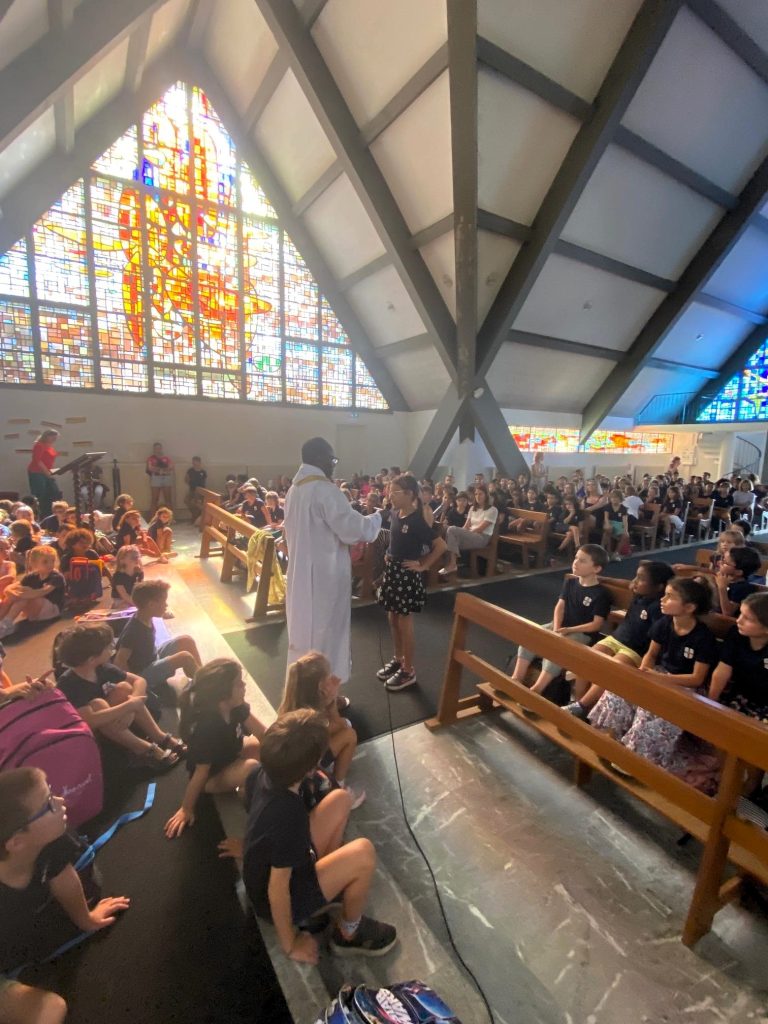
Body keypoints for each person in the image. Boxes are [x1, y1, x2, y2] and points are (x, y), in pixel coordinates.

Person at [237, 710, 397, 961]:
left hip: (283, 871)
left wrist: (251, 849)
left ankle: (327, 888)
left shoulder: (262, 774)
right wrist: (291, 944)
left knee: (340, 799)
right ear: (312, 767)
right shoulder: (287, 815)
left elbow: (251, 809)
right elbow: (277, 890)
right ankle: (348, 933)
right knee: (363, 853)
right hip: (275, 900)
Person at [0, 768, 130, 1024]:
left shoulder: (52, 838)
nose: (60, 801)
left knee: (51, 1011)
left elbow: (61, 875)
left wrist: (87, 920)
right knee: (51, 1010)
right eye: (48, 803)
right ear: (16, 842)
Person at [590, 578, 717, 776]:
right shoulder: (664, 623)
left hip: (685, 686)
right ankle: (612, 736)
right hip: (659, 674)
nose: (662, 600)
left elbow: (697, 678)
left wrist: (660, 679)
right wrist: (643, 671)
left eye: (670, 597)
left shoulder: (703, 637)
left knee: (650, 711)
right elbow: (651, 654)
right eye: (664, 594)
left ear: (689, 607)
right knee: (619, 692)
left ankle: (637, 756)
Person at [284, 438, 381, 686]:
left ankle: (303, 692)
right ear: (319, 458)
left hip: (300, 576)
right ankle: (325, 696)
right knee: (326, 634)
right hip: (324, 577)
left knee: (303, 634)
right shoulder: (324, 490)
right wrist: (377, 518)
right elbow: (352, 529)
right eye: (331, 459)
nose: (333, 465)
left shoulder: (294, 490)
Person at [56, 624, 184, 770]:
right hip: (89, 733)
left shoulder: (101, 668)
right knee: (98, 704)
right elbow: (89, 720)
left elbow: (139, 681)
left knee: (124, 688)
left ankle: (159, 736)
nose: (112, 650)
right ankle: (144, 749)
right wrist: (129, 706)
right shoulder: (68, 683)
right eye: (108, 648)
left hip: (115, 723)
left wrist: (132, 702)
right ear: (91, 659)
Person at [165, 659, 265, 839]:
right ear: (223, 694)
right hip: (211, 776)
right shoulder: (207, 728)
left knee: (256, 747)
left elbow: (263, 734)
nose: (244, 685)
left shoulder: (236, 707)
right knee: (251, 767)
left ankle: (250, 788)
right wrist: (186, 808)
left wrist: (289, 759)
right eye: (238, 683)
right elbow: (201, 772)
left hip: (228, 754)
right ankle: (254, 803)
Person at [565, 561, 674, 719]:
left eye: (641, 579)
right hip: (616, 639)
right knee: (587, 658)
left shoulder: (660, 607)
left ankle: (582, 706)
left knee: (612, 668)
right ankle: (577, 702)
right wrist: (605, 579)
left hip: (635, 649)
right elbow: (626, 583)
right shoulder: (639, 593)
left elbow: (657, 640)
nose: (634, 581)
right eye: (636, 576)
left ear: (659, 587)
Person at [510, 544, 611, 696]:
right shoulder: (571, 582)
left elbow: (596, 624)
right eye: (576, 558)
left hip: (582, 634)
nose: (575, 562)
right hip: (560, 627)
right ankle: (516, 678)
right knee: (529, 636)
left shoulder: (601, 594)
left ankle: (536, 690)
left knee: (556, 651)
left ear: (596, 569)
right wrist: (556, 628)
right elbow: (560, 607)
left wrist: (568, 630)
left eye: (582, 561)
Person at [376, 475, 446, 692]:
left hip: (406, 575)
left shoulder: (416, 520)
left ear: (410, 495)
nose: (390, 496)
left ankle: (408, 670)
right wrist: (389, 553)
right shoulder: (395, 514)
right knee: (392, 617)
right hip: (393, 571)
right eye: (389, 491)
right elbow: (396, 540)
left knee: (404, 622)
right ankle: (398, 659)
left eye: (395, 492)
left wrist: (423, 565)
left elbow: (440, 546)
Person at [278, 651, 361, 799]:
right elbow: (341, 726)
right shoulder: (314, 718)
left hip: (293, 764)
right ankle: (336, 786)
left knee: (345, 726)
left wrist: (330, 701)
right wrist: (332, 701)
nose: (335, 679)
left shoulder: (294, 704)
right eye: (329, 678)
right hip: (306, 770)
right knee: (350, 735)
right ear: (321, 688)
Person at [113, 580, 201, 703]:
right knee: (185, 657)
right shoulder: (134, 631)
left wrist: (163, 613)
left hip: (152, 658)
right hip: (143, 673)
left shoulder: (144, 616)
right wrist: (136, 684)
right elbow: (119, 661)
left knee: (186, 640)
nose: (166, 605)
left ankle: (202, 676)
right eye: (163, 602)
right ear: (151, 605)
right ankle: (205, 686)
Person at [0, 546, 66, 640]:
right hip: (36, 611)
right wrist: (13, 593)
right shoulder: (31, 576)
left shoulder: (56, 577)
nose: (50, 564)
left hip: (52, 611)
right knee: (12, 597)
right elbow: (10, 588)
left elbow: (42, 592)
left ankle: (7, 623)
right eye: (45, 562)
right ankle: (2, 621)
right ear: (34, 563)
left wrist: (22, 593)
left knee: (24, 596)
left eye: (52, 561)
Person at [439, 484, 498, 576]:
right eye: (476, 494)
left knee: (451, 530)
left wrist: (459, 532)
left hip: (482, 538)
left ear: (486, 495)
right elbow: (466, 526)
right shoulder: (472, 508)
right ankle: (445, 569)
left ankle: (452, 564)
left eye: (480, 494)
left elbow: (480, 528)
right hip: (471, 534)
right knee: (445, 531)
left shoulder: (492, 510)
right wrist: (459, 532)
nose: (478, 496)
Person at [26, 430, 62, 519]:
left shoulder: (49, 446)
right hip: (37, 473)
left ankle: (51, 514)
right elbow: (38, 461)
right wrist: (47, 473)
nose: (54, 439)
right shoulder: (39, 445)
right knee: (41, 495)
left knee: (54, 493)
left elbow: (49, 461)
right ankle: (42, 516)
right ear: (46, 436)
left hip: (46, 473)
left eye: (56, 437)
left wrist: (52, 472)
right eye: (52, 436)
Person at [110, 544, 144, 609]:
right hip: (121, 599)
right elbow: (124, 595)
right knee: (125, 606)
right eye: (133, 557)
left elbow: (141, 589)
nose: (136, 559)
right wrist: (136, 604)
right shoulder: (118, 576)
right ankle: (115, 607)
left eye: (137, 556)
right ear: (122, 560)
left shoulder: (138, 573)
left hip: (133, 597)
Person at [145, 443, 174, 517]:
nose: (158, 450)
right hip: (156, 478)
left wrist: (160, 470)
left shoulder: (166, 458)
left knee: (168, 499)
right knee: (154, 499)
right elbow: (150, 468)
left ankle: (171, 518)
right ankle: (152, 518)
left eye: (159, 448)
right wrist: (160, 470)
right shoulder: (151, 458)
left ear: (161, 449)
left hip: (166, 477)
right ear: (154, 449)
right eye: (156, 448)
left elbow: (171, 467)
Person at [184, 457, 207, 525]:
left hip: (200, 490)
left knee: (197, 502)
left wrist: (199, 489)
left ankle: (197, 516)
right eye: (193, 462)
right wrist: (190, 483)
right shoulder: (190, 470)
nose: (194, 463)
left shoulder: (203, 472)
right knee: (186, 500)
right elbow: (186, 479)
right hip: (192, 489)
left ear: (199, 462)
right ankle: (195, 515)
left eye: (196, 461)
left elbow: (203, 481)